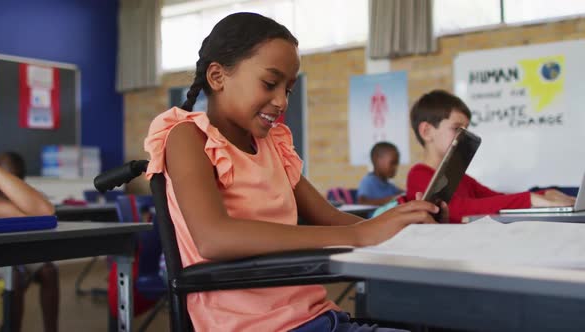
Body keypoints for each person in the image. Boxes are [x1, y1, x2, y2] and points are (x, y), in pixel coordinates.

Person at [144, 12, 445, 332]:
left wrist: (398, 230)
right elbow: (213, 238)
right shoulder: (188, 137)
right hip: (254, 325)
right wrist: (360, 235)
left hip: (314, 317)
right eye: (270, 83)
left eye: (287, 89)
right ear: (217, 77)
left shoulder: (274, 146)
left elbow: (330, 217)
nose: (281, 101)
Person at [406, 90, 575, 223]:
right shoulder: (418, 174)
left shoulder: (462, 179)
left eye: (466, 129)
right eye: (457, 128)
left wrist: (547, 193)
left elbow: (497, 198)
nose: (463, 135)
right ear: (426, 131)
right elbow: (455, 210)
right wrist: (529, 199)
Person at [0, 152, 58, 332]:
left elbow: (44, 210)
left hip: (13, 251)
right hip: (2, 255)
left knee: (47, 269)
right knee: (12, 275)